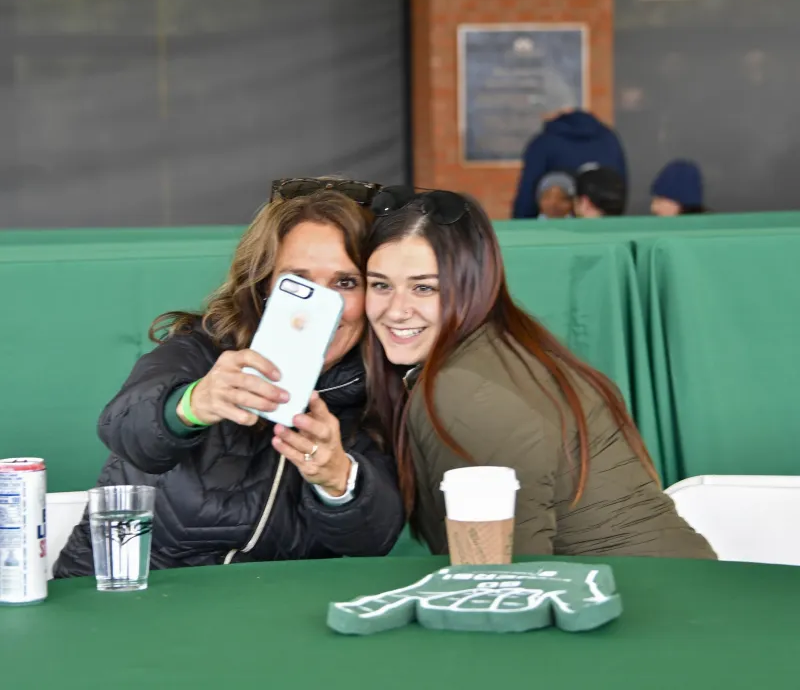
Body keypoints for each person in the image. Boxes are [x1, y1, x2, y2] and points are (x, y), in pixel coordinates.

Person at [54, 181, 404, 578]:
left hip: (266, 613)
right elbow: (124, 427)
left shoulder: (382, 392)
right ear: (265, 286)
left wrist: (338, 479)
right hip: (132, 594)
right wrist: (191, 405)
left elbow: (372, 541)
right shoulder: (202, 348)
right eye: (298, 281)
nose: (321, 307)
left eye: (345, 282)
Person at [363, 186, 716, 560]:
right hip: (669, 588)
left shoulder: (462, 390)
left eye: (423, 288)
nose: (396, 310)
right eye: (380, 285)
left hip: (644, 604)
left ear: (472, 286)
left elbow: (503, 582)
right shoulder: (506, 345)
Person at [512, 109, 627, 219]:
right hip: (607, 224)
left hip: (557, 230)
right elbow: (621, 184)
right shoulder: (610, 139)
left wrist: (519, 227)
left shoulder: (544, 142)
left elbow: (526, 196)